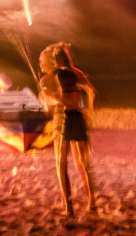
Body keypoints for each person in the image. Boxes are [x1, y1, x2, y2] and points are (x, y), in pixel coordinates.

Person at [38, 42, 97, 215]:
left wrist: (50, 97)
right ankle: (92, 203)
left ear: (51, 61)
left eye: (42, 61)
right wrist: (88, 110)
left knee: (61, 164)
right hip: (78, 118)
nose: (41, 65)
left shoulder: (48, 79)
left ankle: (68, 208)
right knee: (82, 164)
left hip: (62, 121)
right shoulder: (75, 73)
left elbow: (56, 106)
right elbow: (91, 91)